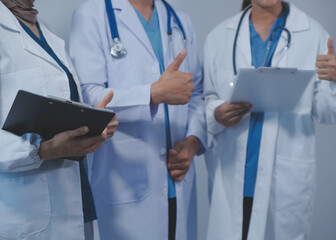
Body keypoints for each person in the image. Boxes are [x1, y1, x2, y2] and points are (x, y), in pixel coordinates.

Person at [203, 0, 336, 239]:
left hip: (285, 183)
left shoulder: (313, 35)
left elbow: (327, 111)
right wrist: (216, 113)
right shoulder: (219, 37)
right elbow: (208, 97)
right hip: (233, 176)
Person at [69, 0, 206, 239]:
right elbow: (86, 95)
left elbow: (195, 93)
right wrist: (152, 94)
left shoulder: (179, 19)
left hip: (178, 182)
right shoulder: (91, 14)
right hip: (126, 183)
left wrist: (193, 141)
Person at [0, 1, 118, 239]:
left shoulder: (45, 30)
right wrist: (42, 149)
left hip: (76, 202)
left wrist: (93, 121)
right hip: (26, 213)